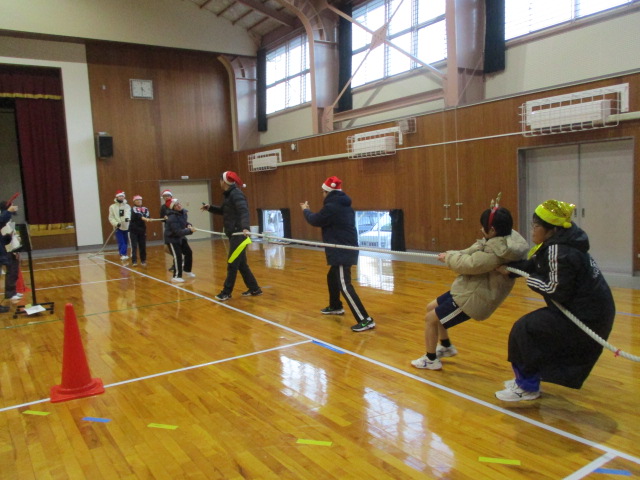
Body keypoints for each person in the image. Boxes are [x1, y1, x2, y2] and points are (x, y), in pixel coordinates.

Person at [494, 199, 615, 402]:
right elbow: (534, 265)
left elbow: (554, 289)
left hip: (587, 317)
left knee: (525, 330)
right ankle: (526, 379)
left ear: (553, 230)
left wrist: (529, 280)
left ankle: (527, 387)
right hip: (586, 311)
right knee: (530, 331)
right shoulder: (559, 243)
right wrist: (512, 271)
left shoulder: (559, 250)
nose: (532, 230)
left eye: (536, 226)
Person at [411, 200, 528, 370]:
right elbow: (472, 251)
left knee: (431, 319)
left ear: (493, 230)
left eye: (483, 227)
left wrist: (449, 258)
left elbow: (470, 264)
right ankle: (446, 346)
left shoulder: (496, 254)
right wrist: (452, 254)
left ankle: (430, 359)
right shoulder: (498, 240)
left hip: (473, 298)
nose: (481, 230)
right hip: (467, 289)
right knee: (431, 308)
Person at [300, 176, 375, 332]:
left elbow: (315, 220)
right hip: (342, 248)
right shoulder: (341, 204)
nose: (322, 195)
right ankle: (335, 306)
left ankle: (365, 319)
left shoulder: (332, 206)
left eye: (323, 192)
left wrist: (305, 210)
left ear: (327, 192)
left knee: (344, 285)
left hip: (342, 250)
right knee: (332, 277)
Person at [201, 171, 261, 301]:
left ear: (223, 182)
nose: (219, 183)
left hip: (239, 235)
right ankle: (254, 288)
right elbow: (224, 211)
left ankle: (226, 292)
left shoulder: (236, 194)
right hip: (234, 234)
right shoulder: (229, 195)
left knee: (232, 263)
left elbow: (244, 211)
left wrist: (245, 227)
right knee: (241, 264)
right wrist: (210, 207)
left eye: (220, 181)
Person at [164, 198, 196, 283]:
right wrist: (190, 231)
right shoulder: (172, 218)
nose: (179, 205)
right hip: (172, 239)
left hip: (181, 237)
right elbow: (177, 232)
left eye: (179, 203)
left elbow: (183, 222)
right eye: (176, 205)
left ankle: (187, 270)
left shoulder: (183, 213)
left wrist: (189, 225)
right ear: (173, 208)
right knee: (177, 256)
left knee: (188, 252)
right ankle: (176, 276)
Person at [0, 200, 20, 313]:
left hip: (4, 250)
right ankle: (10, 293)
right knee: (11, 272)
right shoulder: (3, 219)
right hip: (6, 251)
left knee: (13, 272)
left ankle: (11, 293)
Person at [108, 190, 131, 260]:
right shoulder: (112, 207)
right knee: (121, 241)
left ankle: (124, 253)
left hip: (126, 226)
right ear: (117, 197)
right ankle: (122, 254)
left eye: (122, 196)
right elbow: (111, 217)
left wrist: (127, 218)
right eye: (120, 196)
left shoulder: (127, 206)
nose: (121, 198)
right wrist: (116, 223)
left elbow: (128, 213)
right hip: (117, 227)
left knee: (125, 240)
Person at [129, 195, 150, 266]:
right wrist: (144, 218)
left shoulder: (145, 208)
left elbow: (147, 215)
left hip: (142, 230)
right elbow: (138, 215)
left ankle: (143, 260)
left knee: (142, 245)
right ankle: (134, 261)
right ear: (134, 202)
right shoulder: (133, 209)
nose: (139, 201)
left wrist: (148, 218)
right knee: (134, 246)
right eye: (137, 200)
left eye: (140, 200)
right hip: (133, 230)